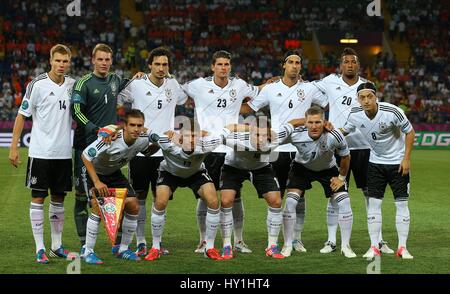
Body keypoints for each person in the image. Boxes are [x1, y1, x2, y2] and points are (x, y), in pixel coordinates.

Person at [243, 50, 328, 252]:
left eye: (298, 62)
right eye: (291, 62)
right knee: (275, 196)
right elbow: (248, 109)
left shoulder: (309, 88)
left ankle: (296, 238)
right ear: (284, 65)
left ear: (301, 66)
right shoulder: (271, 89)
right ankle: (273, 240)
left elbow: (326, 103)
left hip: (302, 148)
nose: (295, 65)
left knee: (300, 195)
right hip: (277, 148)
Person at [312, 48, 394, 254]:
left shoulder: (367, 87)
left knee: (371, 195)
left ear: (358, 65)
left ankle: (378, 241)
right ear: (340, 65)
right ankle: (331, 240)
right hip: (339, 148)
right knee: (335, 193)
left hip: (365, 147)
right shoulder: (329, 82)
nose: (350, 64)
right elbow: (303, 88)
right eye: (346, 61)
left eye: (353, 62)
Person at [182, 50, 261, 254]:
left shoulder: (240, 85)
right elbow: (174, 90)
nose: (223, 68)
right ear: (212, 66)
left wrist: (274, 83)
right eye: (220, 64)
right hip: (207, 149)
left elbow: (258, 92)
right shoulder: (198, 85)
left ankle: (239, 240)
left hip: (232, 148)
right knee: (204, 196)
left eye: (227, 64)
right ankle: (202, 240)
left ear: (230, 67)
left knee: (235, 195)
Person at [9, 44, 75, 263]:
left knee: (58, 199)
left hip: (63, 153)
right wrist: (14, 147)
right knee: (38, 198)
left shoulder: (73, 85)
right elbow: (21, 116)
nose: (61, 65)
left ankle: (56, 245)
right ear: (51, 60)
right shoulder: (36, 84)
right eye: (58, 61)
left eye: (65, 61)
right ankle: (40, 248)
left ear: (69, 62)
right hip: (40, 153)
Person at [118, 46, 187, 257]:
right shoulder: (137, 84)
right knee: (139, 198)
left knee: (161, 199)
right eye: (157, 64)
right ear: (149, 65)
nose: (161, 68)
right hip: (140, 151)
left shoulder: (174, 85)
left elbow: (184, 98)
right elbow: (118, 100)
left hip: (164, 153)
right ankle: (140, 241)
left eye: (165, 64)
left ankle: (157, 243)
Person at [71, 43, 137, 254]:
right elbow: (76, 112)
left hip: (109, 147)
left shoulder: (116, 80)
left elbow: (131, 83)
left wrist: (141, 76)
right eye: (100, 59)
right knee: (83, 195)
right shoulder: (83, 83)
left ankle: (117, 241)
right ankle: (84, 243)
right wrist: (95, 130)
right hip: (86, 144)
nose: (104, 63)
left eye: (107, 59)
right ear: (93, 60)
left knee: (118, 195)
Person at [342, 82, 415, 259]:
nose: (366, 100)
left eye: (369, 97)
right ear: (358, 100)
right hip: (375, 163)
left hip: (397, 163)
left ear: (376, 97)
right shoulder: (355, 114)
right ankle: (374, 247)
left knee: (401, 204)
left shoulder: (392, 112)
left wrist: (406, 159)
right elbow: (344, 130)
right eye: (362, 98)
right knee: (374, 205)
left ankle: (402, 248)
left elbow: (410, 132)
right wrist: (327, 131)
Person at [81, 109, 159, 264]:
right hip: (94, 173)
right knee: (97, 207)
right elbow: (85, 155)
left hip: (114, 173)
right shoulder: (111, 137)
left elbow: (148, 152)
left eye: (139, 125)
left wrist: (158, 143)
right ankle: (87, 251)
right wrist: (96, 182)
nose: (136, 129)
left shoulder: (143, 139)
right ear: (124, 125)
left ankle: (123, 248)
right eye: (132, 125)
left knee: (134, 205)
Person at [144, 119, 228, 261]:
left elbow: (226, 132)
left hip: (195, 173)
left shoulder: (207, 144)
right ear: (181, 137)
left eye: (195, 136)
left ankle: (210, 247)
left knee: (213, 201)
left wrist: (206, 133)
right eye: (188, 136)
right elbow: (146, 131)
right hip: (170, 173)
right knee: (160, 201)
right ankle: (155, 247)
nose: (192, 140)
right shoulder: (167, 142)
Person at [218, 119, 302, 260]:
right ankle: (227, 246)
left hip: (261, 168)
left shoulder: (275, 139)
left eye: (264, 135)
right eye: (257, 134)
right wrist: (243, 127)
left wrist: (319, 123)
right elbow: (224, 131)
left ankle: (272, 246)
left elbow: (292, 124)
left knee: (276, 201)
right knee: (226, 201)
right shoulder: (237, 141)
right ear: (250, 133)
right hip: (234, 167)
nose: (260, 139)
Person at [279, 106, 356, 258]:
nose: (314, 126)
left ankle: (345, 246)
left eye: (318, 122)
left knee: (344, 202)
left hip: (328, 169)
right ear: (305, 123)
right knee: (290, 202)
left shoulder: (335, 135)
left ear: (324, 122)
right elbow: (280, 132)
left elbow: (346, 156)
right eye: (310, 122)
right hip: (302, 167)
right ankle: (288, 244)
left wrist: (341, 178)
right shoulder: (296, 134)